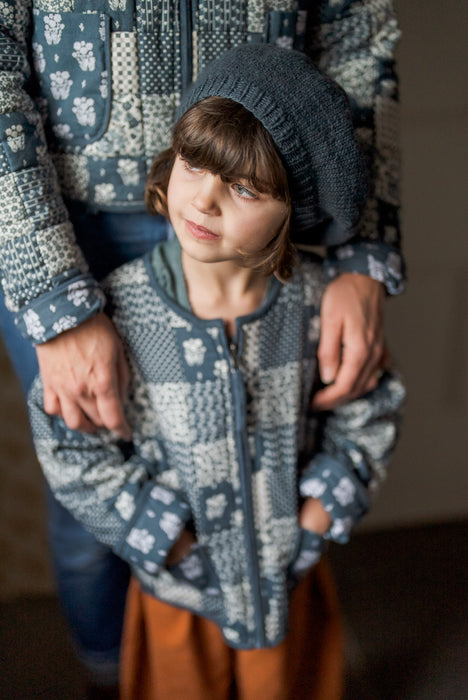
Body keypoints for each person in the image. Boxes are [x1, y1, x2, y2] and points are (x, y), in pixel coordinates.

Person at [0, 0, 403, 687]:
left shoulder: (302, 305)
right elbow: (76, 454)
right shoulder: (132, 302)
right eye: (195, 172)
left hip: (286, 584)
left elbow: (359, 27)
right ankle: (107, 673)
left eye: (239, 188)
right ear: (174, 166)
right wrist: (176, 551)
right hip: (74, 216)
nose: (206, 201)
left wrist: (311, 522)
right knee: (89, 544)